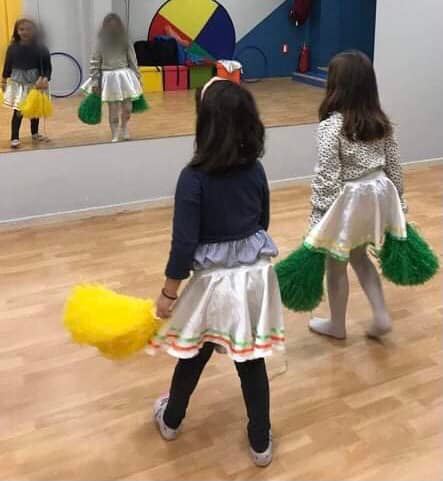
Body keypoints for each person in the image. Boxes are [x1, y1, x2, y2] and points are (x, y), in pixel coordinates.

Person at [151, 78, 285, 467]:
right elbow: (262, 221)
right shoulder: (255, 169)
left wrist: (168, 293)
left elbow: (183, 244)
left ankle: (171, 420)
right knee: (251, 361)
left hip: (215, 285)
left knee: (194, 353)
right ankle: (260, 442)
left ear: (205, 125)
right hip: (253, 279)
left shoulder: (192, 177)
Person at [305, 50, 407, 340]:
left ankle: (337, 325)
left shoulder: (331, 126)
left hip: (349, 200)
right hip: (378, 194)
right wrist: (400, 202)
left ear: (335, 86)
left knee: (335, 262)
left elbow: (327, 177)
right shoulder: (381, 122)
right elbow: (394, 166)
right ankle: (381, 316)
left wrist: (319, 217)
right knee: (360, 257)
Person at [82, 13, 142, 142]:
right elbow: (95, 62)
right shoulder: (101, 43)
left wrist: (137, 76)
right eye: (110, 26)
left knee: (128, 108)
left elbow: (132, 59)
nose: (113, 28)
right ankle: (114, 133)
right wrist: (95, 82)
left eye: (115, 26)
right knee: (113, 109)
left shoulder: (125, 41)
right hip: (109, 78)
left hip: (125, 77)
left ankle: (124, 127)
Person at [1, 18, 52, 149]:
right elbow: (8, 64)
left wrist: (45, 78)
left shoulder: (40, 47)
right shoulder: (12, 48)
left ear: (34, 31)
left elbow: (47, 65)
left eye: (28, 29)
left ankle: (34, 133)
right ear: (17, 31)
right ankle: (14, 137)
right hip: (18, 83)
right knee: (18, 110)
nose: (25, 32)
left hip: (35, 82)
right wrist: (4, 79)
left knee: (34, 108)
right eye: (21, 29)